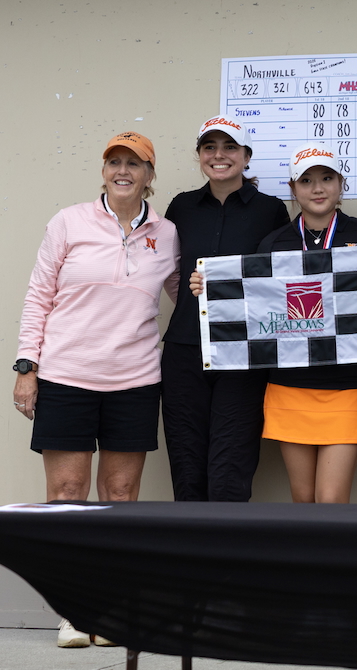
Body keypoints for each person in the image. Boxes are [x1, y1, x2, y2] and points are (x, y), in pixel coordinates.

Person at [13, 131, 180, 647]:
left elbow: (186, 292)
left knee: (121, 498)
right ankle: (73, 612)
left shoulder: (169, 233)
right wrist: (27, 364)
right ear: (103, 171)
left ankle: (112, 611)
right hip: (67, 376)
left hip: (134, 380)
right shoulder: (69, 222)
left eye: (135, 163)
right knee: (66, 497)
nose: (124, 170)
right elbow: (39, 294)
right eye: (115, 162)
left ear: (151, 176)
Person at [194, 143, 357, 503]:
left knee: (330, 499)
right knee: (302, 498)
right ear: (293, 188)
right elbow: (254, 308)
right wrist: (210, 288)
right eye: (307, 180)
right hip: (289, 385)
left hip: (348, 384)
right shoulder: (272, 242)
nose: (317, 188)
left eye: (327, 178)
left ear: (341, 184)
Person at [161, 116, 289, 502]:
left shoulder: (271, 210)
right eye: (209, 148)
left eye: (230, 147)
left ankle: (224, 557)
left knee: (231, 466)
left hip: (244, 353)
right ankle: (188, 558)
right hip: (185, 347)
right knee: (186, 464)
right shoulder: (181, 206)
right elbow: (169, 271)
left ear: (246, 156)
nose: (219, 156)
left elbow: (280, 281)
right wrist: (192, 291)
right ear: (199, 156)